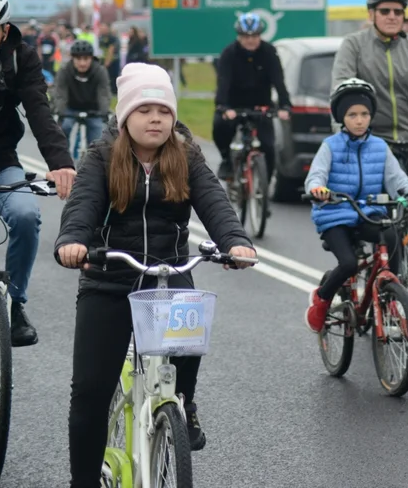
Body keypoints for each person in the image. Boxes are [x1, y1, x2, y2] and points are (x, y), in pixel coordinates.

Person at [55, 62, 257, 487]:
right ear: (126, 115)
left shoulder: (186, 155)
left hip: (166, 273)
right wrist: (72, 241)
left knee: (189, 330)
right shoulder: (103, 156)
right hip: (110, 277)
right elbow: (83, 204)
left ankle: (183, 401)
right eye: (144, 110)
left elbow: (214, 202)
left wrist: (236, 241)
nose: (155, 119)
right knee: (90, 394)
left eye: (163, 111)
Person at [0, 0, 76, 346]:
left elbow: (40, 111)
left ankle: (15, 301)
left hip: (0, 163)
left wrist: (61, 164)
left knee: (26, 215)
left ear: (4, 31)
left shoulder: (20, 57)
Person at [303, 78, 408, 331]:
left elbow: (398, 180)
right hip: (336, 214)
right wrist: (318, 190)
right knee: (349, 264)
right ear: (342, 118)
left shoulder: (379, 147)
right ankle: (321, 298)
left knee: (392, 235)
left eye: (364, 114)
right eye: (352, 115)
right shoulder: (330, 146)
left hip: (368, 214)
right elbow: (316, 176)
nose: (360, 120)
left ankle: (389, 294)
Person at [331, 0, 408, 147]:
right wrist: (342, 141)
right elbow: (340, 92)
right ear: (371, 14)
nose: (392, 16)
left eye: (398, 11)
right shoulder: (354, 44)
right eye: (385, 11)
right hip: (369, 142)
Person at [212, 12, 291, 180]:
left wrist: (284, 105)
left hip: (260, 105)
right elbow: (223, 82)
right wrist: (223, 106)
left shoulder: (269, 52)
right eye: (245, 36)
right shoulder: (229, 53)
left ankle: (264, 187)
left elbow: (278, 80)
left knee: (268, 146)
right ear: (239, 36)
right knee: (220, 127)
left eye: (254, 36)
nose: (250, 40)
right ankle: (226, 159)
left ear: (260, 35)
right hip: (234, 105)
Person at [53, 39, 110, 153]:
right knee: (64, 129)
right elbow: (60, 94)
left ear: (91, 58)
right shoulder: (65, 71)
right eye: (78, 59)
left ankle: (95, 163)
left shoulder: (100, 71)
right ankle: (64, 160)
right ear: (72, 58)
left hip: (93, 110)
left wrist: (104, 112)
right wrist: (60, 111)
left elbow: (104, 94)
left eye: (86, 59)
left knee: (99, 138)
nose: (82, 63)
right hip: (71, 108)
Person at [97, 23, 122, 95]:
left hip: (113, 61)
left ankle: (114, 93)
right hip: (103, 60)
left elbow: (111, 49)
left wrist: (107, 62)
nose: (102, 30)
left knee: (112, 77)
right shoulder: (101, 37)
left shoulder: (112, 38)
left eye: (103, 28)